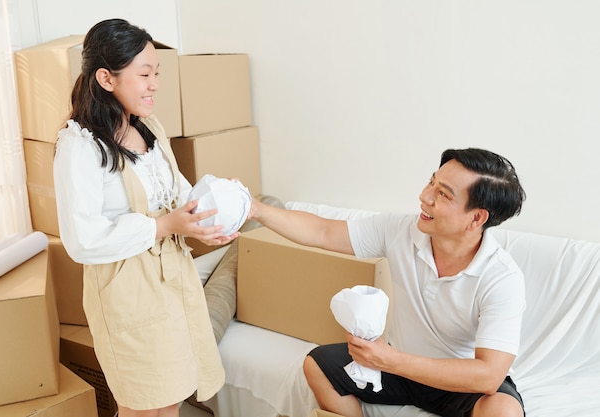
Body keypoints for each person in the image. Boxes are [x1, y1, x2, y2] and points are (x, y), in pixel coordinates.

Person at [249, 148, 527, 417]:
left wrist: (391, 360)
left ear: (476, 218)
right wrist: (256, 209)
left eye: (442, 194)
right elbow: (323, 232)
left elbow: (489, 376)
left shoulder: (501, 277)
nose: (424, 196)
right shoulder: (400, 230)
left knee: (503, 411)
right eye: (431, 182)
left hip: (456, 381)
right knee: (318, 365)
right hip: (398, 369)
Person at [53, 19, 235, 417]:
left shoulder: (149, 128)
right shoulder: (79, 146)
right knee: (142, 404)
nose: (155, 84)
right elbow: (82, 239)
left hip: (172, 280)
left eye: (157, 74)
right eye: (144, 74)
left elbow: (179, 190)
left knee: (171, 397)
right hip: (126, 291)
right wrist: (163, 226)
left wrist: (211, 215)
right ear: (106, 78)